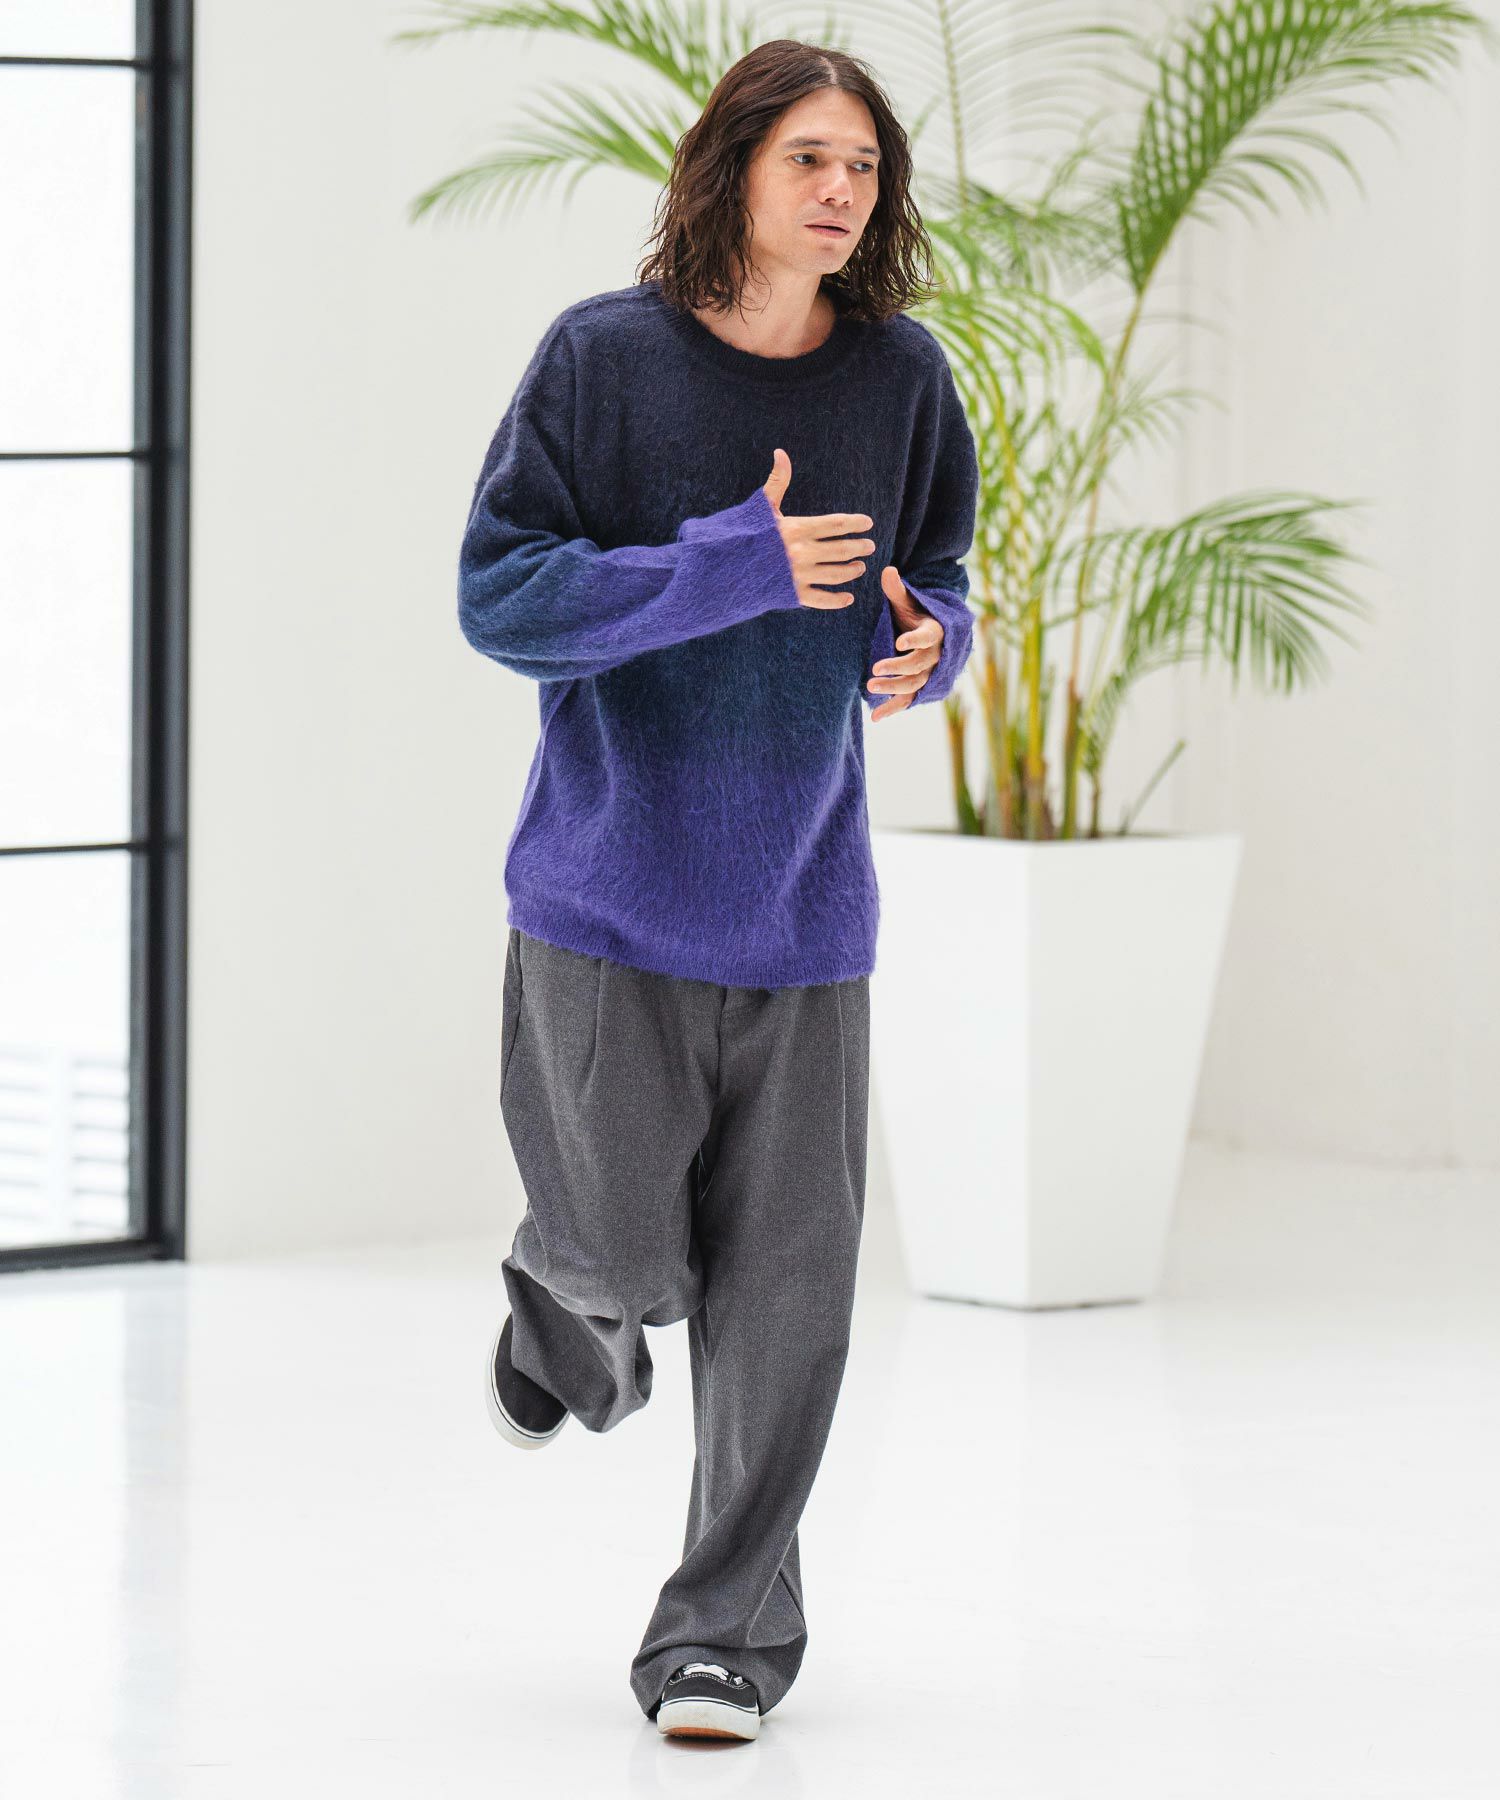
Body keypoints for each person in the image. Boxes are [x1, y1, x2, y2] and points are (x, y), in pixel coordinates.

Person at [456, 37, 979, 1743]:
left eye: (865, 167)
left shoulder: (900, 380)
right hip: (610, 902)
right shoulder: (603, 361)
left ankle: (722, 1642)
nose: (843, 192)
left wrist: (931, 644)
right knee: (619, 1253)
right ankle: (564, 1315)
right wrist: (726, 567)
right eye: (810, 158)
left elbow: (941, 574)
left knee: (786, 1308)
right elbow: (501, 598)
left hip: (808, 913)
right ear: (733, 166)